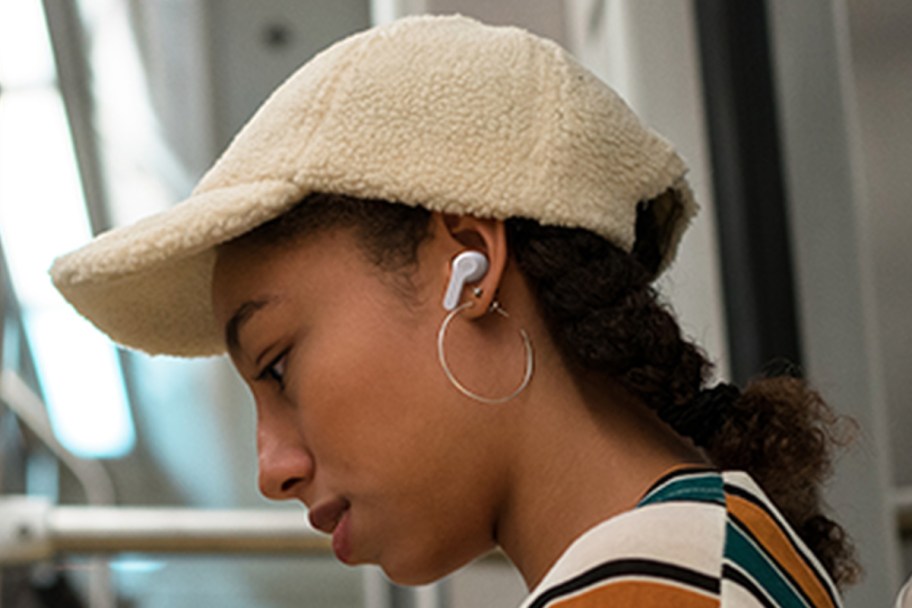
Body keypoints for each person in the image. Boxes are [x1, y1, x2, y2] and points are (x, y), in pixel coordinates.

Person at [51, 14, 858, 607]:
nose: (273, 469)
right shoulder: (721, 545)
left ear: (467, 267)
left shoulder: (646, 590)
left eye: (280, 364)